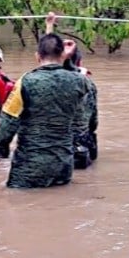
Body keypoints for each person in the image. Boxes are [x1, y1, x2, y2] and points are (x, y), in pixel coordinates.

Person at [0, 33, 90, 188]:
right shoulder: (80, 81)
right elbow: (82, 123)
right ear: (63, 55)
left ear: (37, 56)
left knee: (17, 204)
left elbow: (7, 122)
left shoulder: (26, 82)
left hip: (29, 166)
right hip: (63, 164)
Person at [44, 12, 98, 169]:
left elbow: (52, 62)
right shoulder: (85, 83)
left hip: (60, 148)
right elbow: (93, 123)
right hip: (74, 147)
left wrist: (49, 27)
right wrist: (49, 26)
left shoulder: (52, 80)